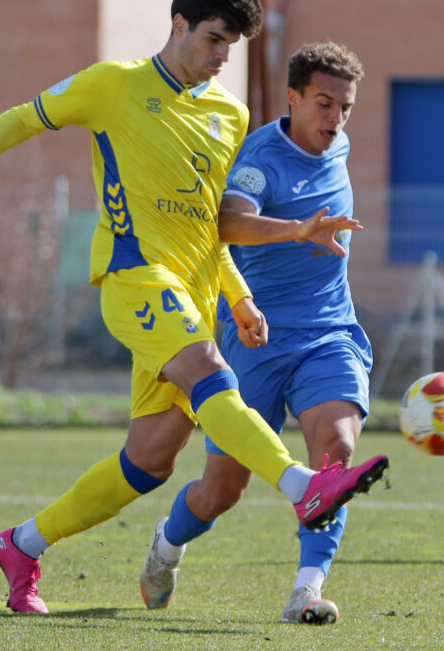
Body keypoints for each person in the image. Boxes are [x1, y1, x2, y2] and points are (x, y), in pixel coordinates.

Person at [0, 0, 388, 614]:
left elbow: (208, 228)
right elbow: (24, 119)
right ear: (179, 25)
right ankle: (303, 484)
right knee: (212, 373)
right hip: (134, 280)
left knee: (149, 461)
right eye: (214, 39)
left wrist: (237, 294)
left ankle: (22, 542)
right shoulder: (114, 86)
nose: (221, 57)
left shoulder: (228, 114)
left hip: (191, 297)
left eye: (231, 47)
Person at [139, 42, 378, 625]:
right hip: (256, 339)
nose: (335, 119)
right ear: (291, 97)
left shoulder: (337, 145)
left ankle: (306, 591)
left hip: (329, 333)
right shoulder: (260, 158)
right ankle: (167, 547)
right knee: (221, 491)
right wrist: (300, 230)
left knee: (337, 453)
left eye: (345, 107)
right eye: (323, 103)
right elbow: (228, 222)